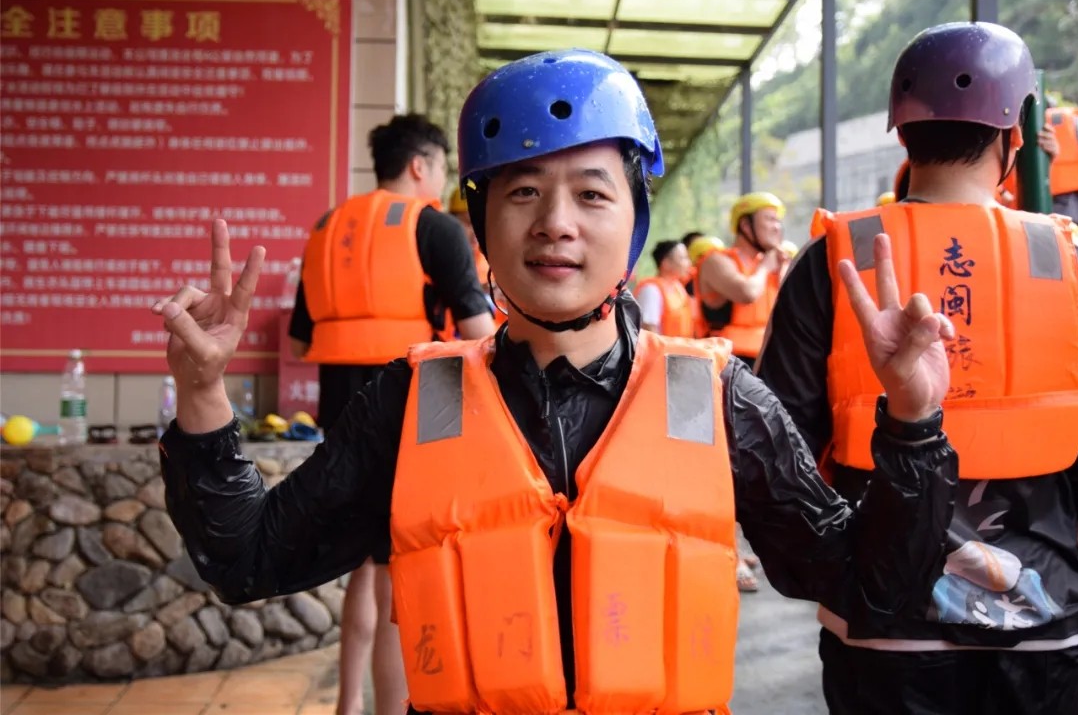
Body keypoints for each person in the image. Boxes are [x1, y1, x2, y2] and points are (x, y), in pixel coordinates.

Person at [153, 49, 959, 715]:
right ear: (482, 222)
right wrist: (202, 395)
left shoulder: (716, 397)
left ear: (634, 219)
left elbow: (867, 585)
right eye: (524, 192)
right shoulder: (412, 402)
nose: (556, 224)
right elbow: (248, 558)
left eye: (592, 194)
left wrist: (914, 422)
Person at [756, 22, 1078, 714]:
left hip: (883, 633)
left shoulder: (836, 260)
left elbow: (777, 447)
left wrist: (834, 576)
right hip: (1050, 628)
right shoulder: (1067, 257)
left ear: (901, 132)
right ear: (1013, 136)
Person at [288, 113, 496, 715]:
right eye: (442, 168)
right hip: (409, 418)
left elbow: (301, 340)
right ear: (419, 165)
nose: (441, 181)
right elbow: (480, 331)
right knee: (393, 577)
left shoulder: (326, 228)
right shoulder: (434, 228)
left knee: (361, 563)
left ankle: (347, 704)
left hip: (338, 418)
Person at [691, 192, 789, 367]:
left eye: (778, 221)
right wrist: (766, 267)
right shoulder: (716, 261)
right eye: (770, 219)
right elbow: (746, 293)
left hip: (769, 358)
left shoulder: (771, 264)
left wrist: (782, 270)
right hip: (729, 364)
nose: (777, 227)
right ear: (745, 225)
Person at [449, 187, 508, 326]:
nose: (476, 231)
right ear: (451, 222)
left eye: (482, 223)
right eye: (469, 223)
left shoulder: (497, 260)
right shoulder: (442, 261)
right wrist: (480, 293)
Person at [633, 240, 694, 336]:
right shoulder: (651, 290)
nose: (689, 263)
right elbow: (649, 329)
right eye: (683, 258)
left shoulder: (678, 287)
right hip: (663, 346)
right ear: (666, 263)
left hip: (679, 345)